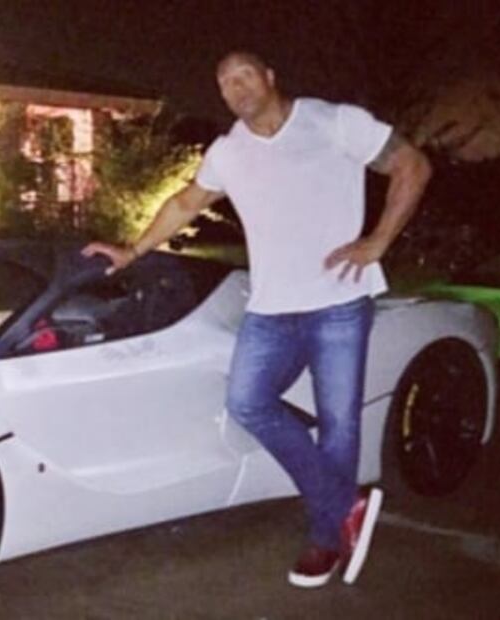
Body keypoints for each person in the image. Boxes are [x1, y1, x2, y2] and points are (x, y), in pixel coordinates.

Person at [83, 50, 431, 588]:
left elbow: (412, 165)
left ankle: (326, 538)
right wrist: (132, 250)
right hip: (270, 307)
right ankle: (346, 504)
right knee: (247, 402)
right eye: (224, 83)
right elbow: (186, 203)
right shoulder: (229, 152)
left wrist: (378, 241)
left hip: (339, 302)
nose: (235, 88)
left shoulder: (333, 122)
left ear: (270, 77)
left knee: (338, 425)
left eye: (244, 75)